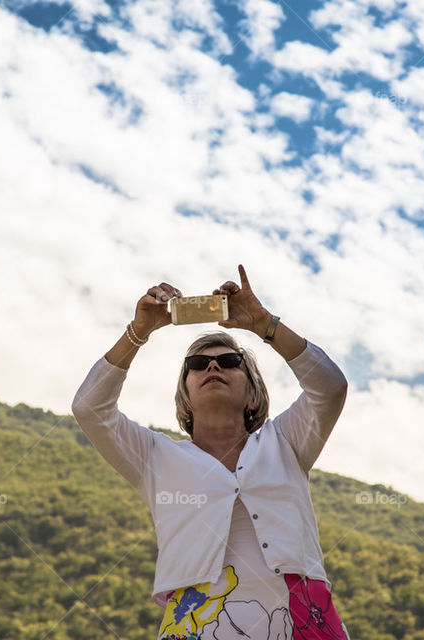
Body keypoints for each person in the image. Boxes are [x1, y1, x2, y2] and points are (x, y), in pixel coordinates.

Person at [71, 264, 350, 640]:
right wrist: (138, 333)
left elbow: (330, 387)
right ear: (184, 393)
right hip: (197, 620)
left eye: (230, 362)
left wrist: (264, 324)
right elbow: (89, 408)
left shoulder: (286, 441)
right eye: (197, 365)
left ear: (253, 391)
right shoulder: (153, 456)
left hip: (303, 613)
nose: (213, 365)